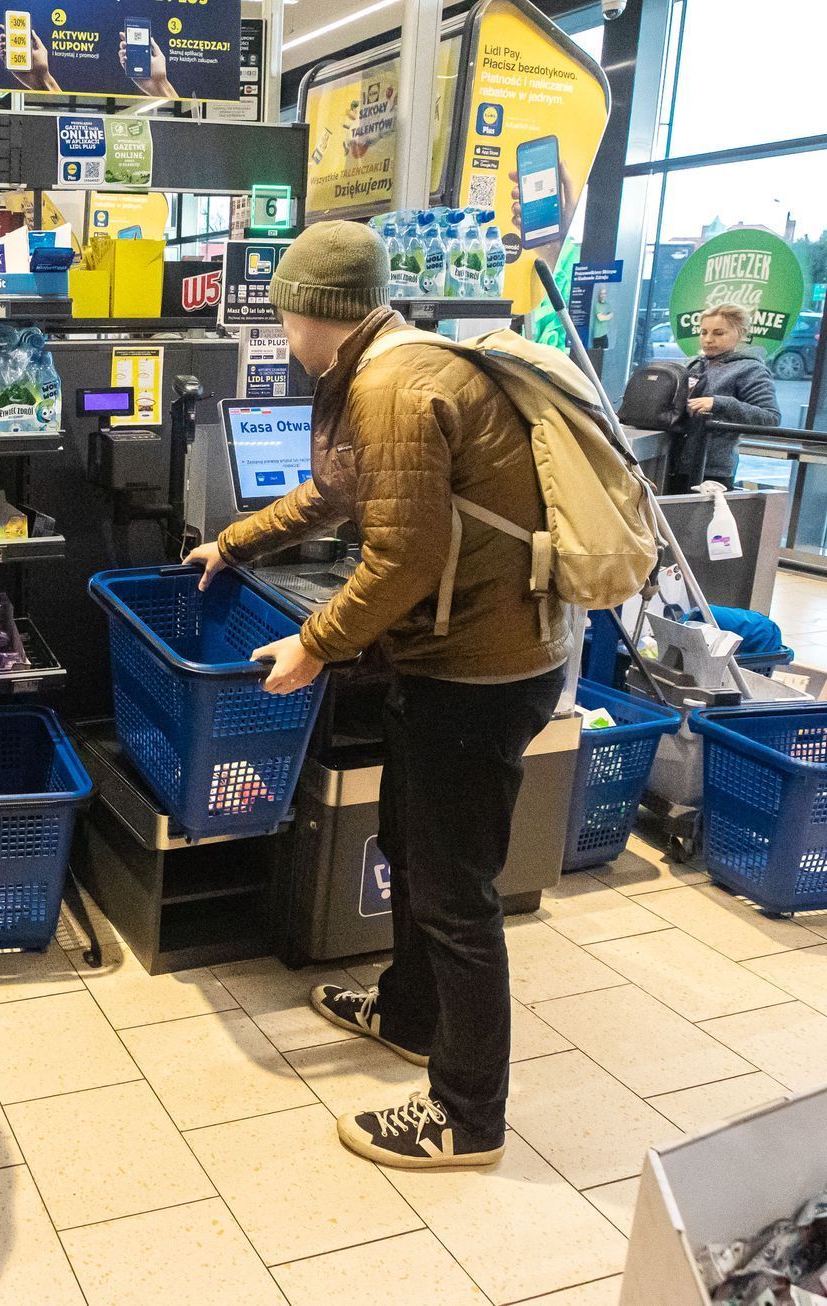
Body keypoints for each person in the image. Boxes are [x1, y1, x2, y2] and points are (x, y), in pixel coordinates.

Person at [186, 221, 570, 1170]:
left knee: (456, 897)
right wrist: (236, 541)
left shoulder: (394, 386)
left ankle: (467, 1117)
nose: (280, 333)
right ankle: (408, 1014)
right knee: (409, 845)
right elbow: (332, 497)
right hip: (456, 657)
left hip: (481, 670)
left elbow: (403, 558)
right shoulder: (389, 368)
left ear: (315, 310)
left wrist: (315, 645)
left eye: (283, 315)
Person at [668, 303, 781, 492]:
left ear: (740, 332)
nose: (708, 339)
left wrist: (718, 404)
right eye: (703, 332)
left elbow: (770, 417)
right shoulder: (692, 365)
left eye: (718, 333)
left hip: (713, 470)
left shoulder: (750, 369)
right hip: (673, 463)